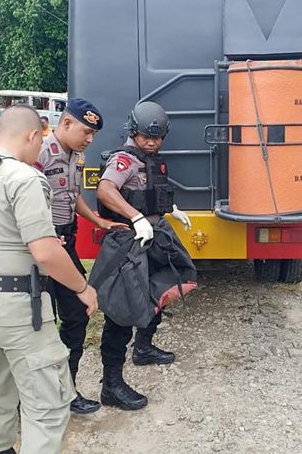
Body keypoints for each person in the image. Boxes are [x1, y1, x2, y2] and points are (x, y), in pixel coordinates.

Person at [0, 105, 98, 454]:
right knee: (48, 406)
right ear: (33, 135)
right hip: (18, 311)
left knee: (0, 389)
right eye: (40, 141)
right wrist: (83, 287)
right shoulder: (25, 178)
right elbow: (46, 252)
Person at [95, 101, 191, 411]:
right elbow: (106, 190)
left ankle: (144, 347)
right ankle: (111, 385)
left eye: (157, 137)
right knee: (121, 312)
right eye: (145, 137)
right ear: (133, 132)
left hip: (153, 236)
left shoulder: (151, 160)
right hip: (129, 242)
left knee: (161, 288)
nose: (151, 142)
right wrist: (136, 217)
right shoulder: (124, 160)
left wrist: (171, 210)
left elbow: (154, 192)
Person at [34, 99, 127, 415]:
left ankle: (67, 391)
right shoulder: (40, 153)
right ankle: (33, 400)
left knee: (76, 315)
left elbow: (71, 197)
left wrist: (98, 221)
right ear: (66, 123)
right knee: (40, 324)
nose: (90, 139)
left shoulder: (76, 156)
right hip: (42, 249)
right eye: (86, 131)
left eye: (93, 134)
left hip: (66, 243)